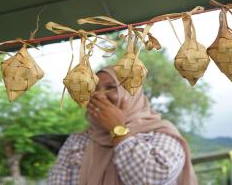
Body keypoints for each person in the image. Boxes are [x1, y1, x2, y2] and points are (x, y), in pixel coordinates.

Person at [48, 66, 197, 185]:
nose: (99, 95)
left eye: (110, 87)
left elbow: (150, 179)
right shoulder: (77, 141)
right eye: (94, 89)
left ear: (132, 94)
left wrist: (117, 131)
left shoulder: (160, 134)